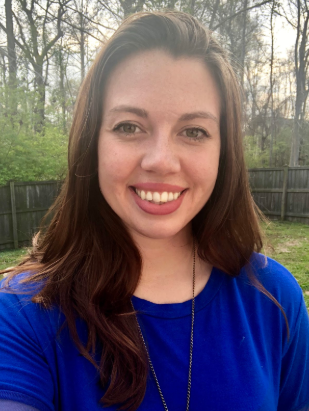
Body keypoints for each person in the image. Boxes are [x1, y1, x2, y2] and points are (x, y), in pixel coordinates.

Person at [0, 11, 308, 411]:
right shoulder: (22, 314)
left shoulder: (275, 298)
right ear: (93, 143)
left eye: (193, 131)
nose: (161, 161)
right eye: (129, 126)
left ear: (223, 153)